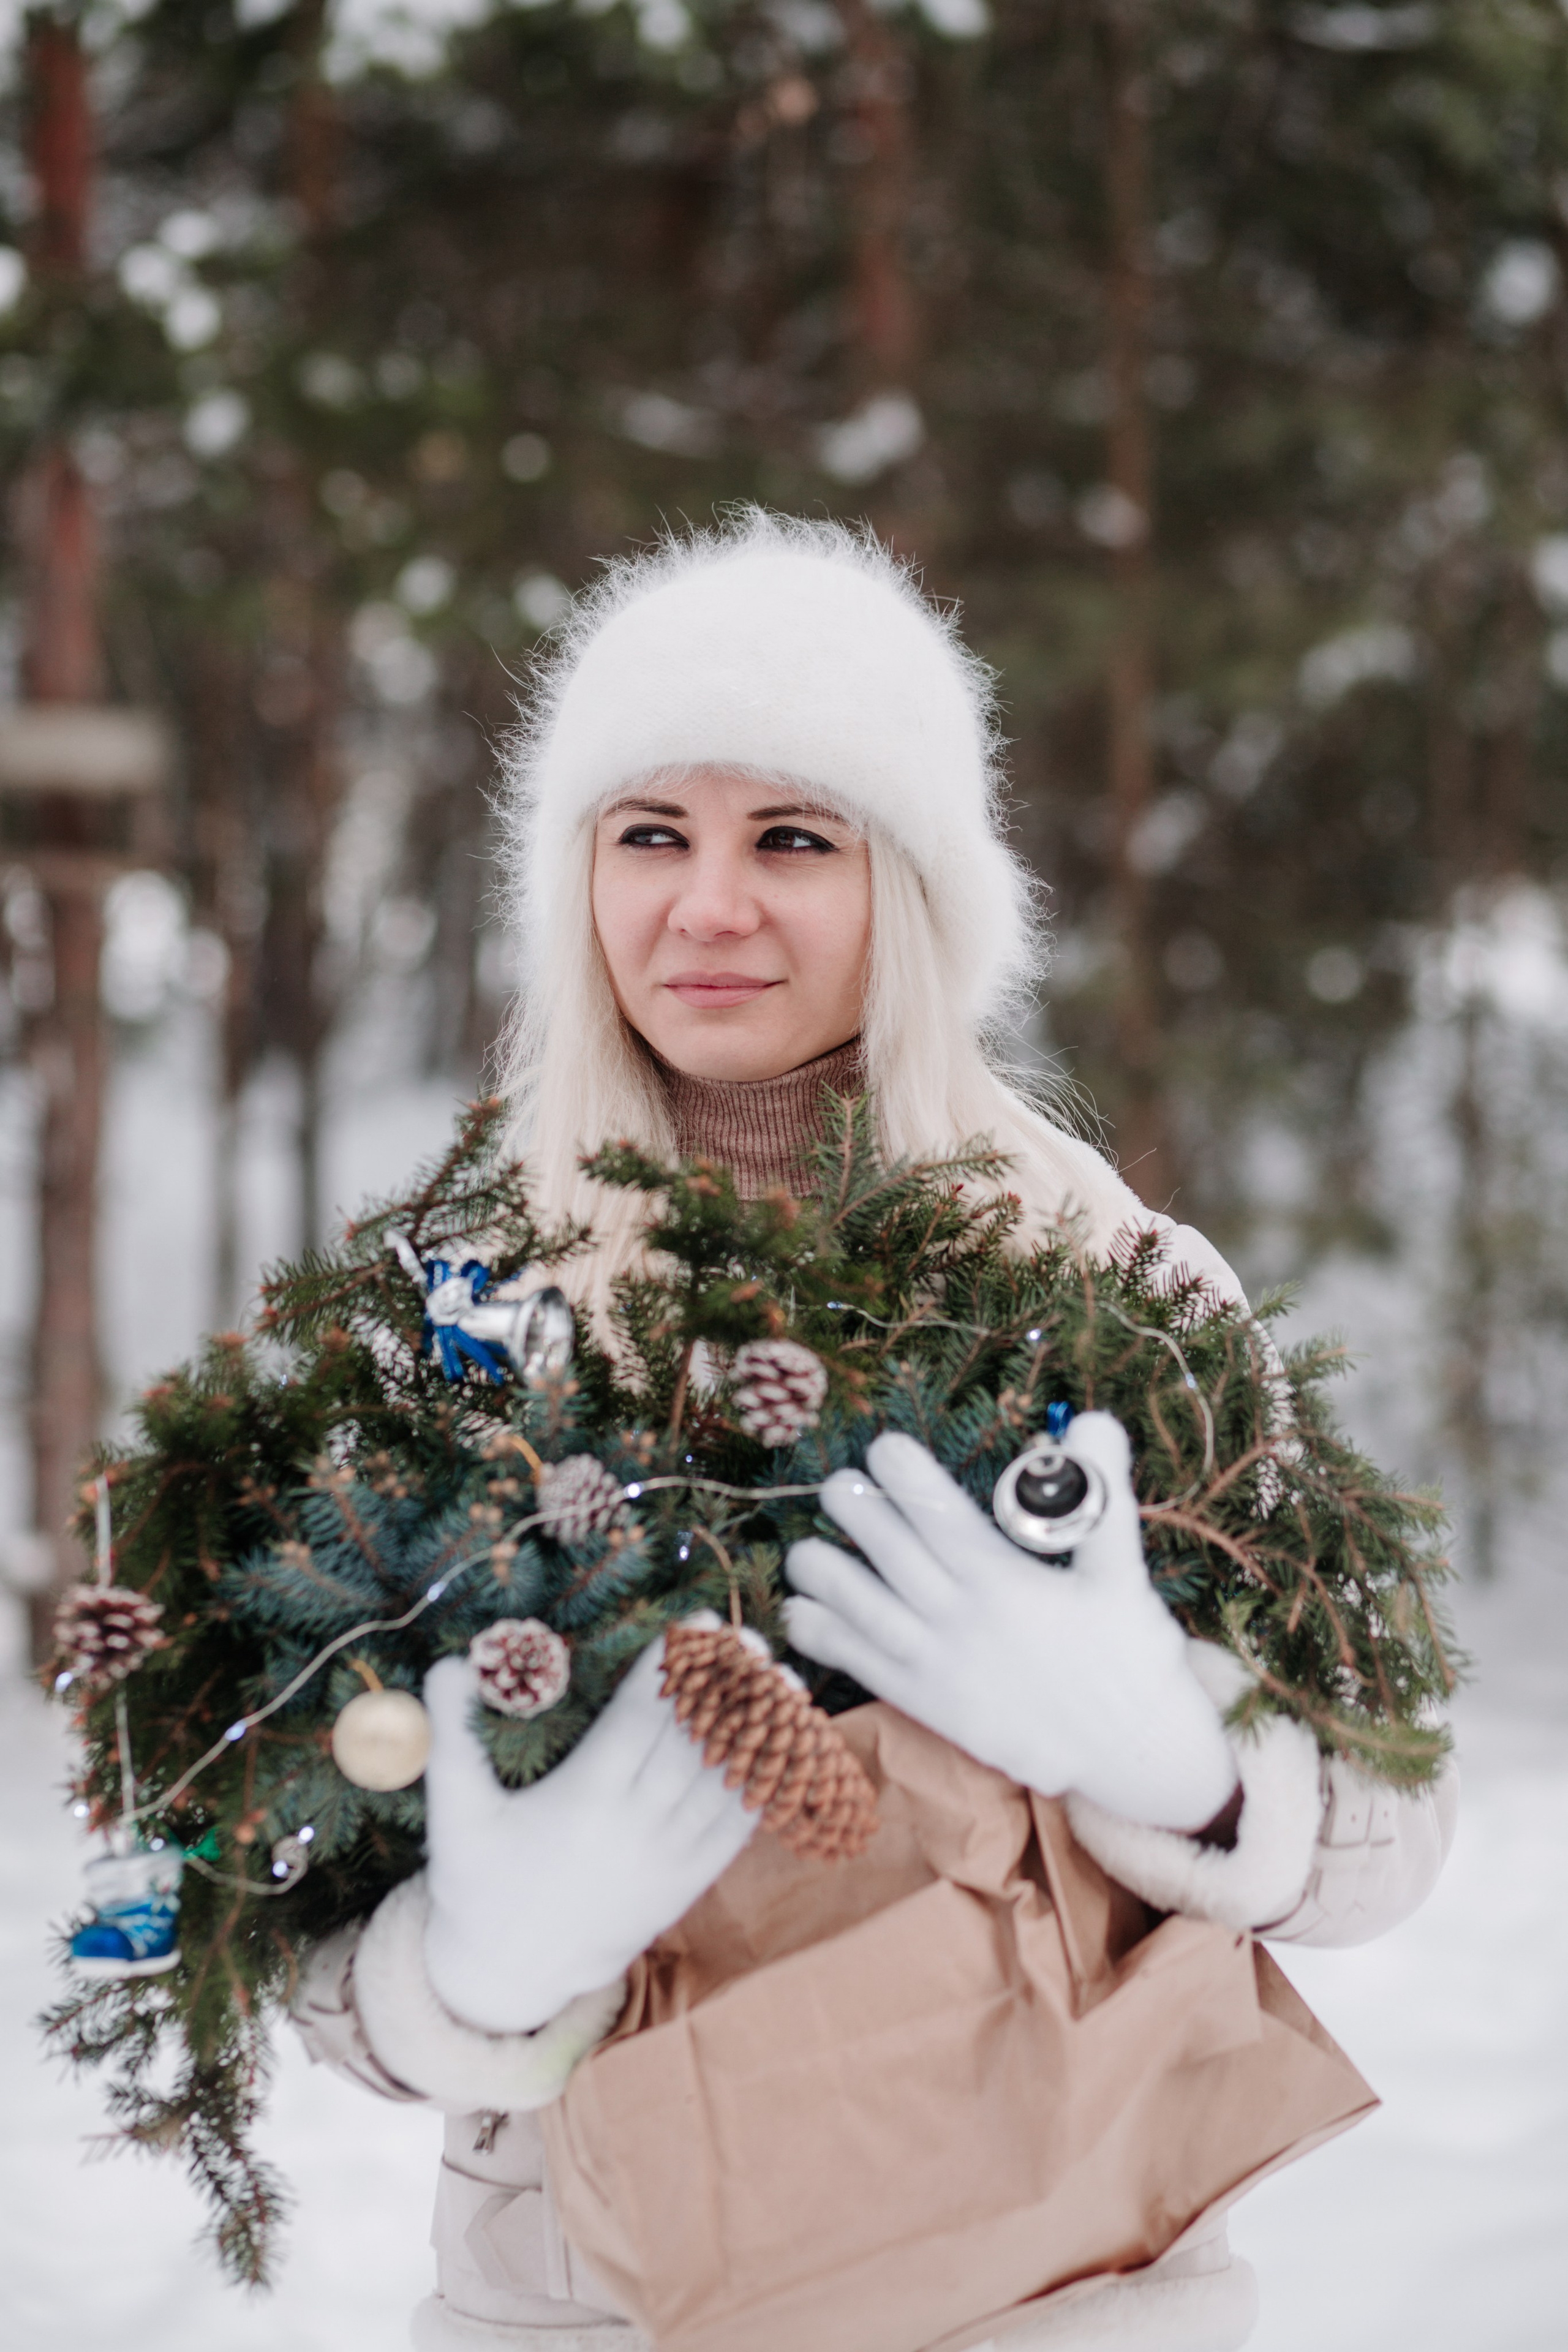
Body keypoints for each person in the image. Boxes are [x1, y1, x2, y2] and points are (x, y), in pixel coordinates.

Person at [292, 511, 1458, 2352]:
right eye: (651, 834)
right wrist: (477, 1969)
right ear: (575, 881)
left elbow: (1396, 1829)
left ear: (908, 885)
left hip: (1055, 2287)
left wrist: (1180, 1756)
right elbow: (279, 1890)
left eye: (793, 839)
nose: (710, 906)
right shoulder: (468, 1323)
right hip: (596, 2301)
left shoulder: (1109, 1281)